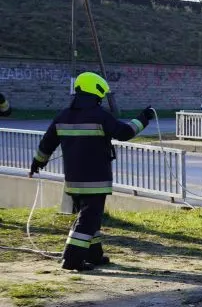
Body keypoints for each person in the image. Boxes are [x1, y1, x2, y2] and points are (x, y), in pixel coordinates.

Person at [29, 72, 154, 271]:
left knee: (89, 218)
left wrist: (37, 162)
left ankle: (94, 255)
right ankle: (72, 259)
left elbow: (47, 143)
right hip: (96, 179)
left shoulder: (63, 115)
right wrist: (143, 118)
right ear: (95, 93)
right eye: (99, 97)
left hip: (73, 180)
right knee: (88, 220)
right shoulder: (99, 115)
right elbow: (124, 133)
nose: (100, 100)